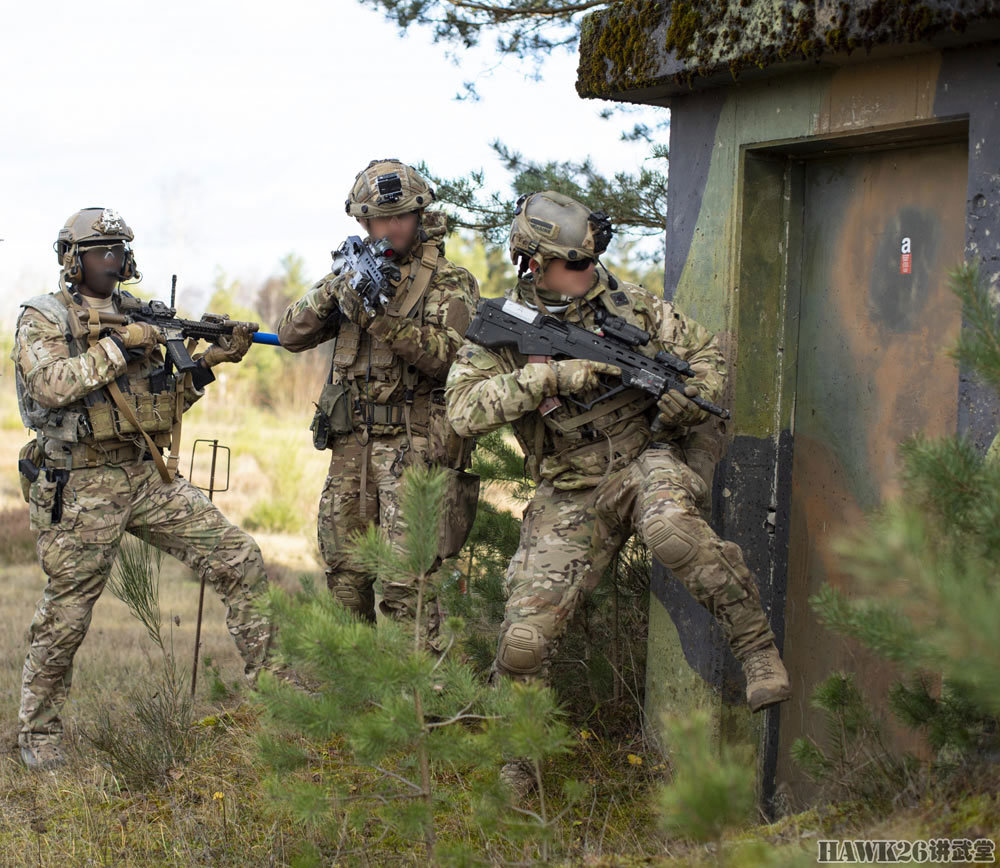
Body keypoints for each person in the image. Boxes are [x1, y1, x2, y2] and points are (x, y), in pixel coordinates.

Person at [445, 191, 791, 793]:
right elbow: (463, 413)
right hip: (569, 487)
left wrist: (687, 399)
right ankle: (518, 762)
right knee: (524, 643)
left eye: (588, 261)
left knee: (670, 530)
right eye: (572, 265)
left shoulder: (629, 308)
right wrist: (548, 375)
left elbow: (706, 355)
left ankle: (757, 649)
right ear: (532, 262)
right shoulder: (500, 331)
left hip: (643, 460)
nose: (586, 273)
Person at [13, 207, 272, 770]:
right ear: (72, 259)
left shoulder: (143, 316)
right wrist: (118, 346)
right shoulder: (44, 316)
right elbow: (52, 385)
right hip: (78, 484)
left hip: (146, 475)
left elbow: (162, 403)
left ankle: (274, 692)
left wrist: (210, 361)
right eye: (99, 249)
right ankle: (38, 732)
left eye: (118, 249)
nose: (112, 259)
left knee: (240, 558)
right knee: (68, 612)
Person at [277, 160, 480, 646]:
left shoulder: (449, 282)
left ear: (418, 214)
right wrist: (335, 293)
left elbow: (452, 358)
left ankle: (421, 705)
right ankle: (355, 702)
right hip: (352, 449)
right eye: (377, 221)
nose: (388, 230)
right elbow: (289, 333)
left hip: (414, 452)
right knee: (345, 574)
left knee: (406, 583)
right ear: (362, 222)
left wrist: (379, 320)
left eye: (399, 218)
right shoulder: (353, 274)